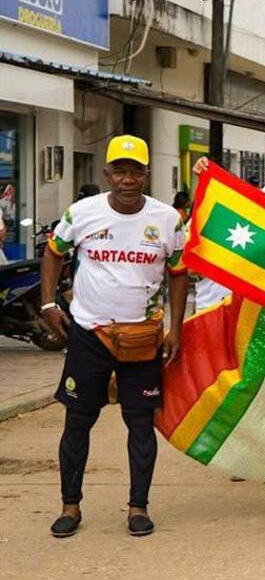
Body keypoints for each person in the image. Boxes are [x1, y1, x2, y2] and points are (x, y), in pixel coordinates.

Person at [40, 135, 188, 538]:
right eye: (119, 171)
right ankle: (70, 507)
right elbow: (53, 253)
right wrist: (49, 304)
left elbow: (178, 273)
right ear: (107, 174)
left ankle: (138, 508)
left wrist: (176, 325)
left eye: (135, 171)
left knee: (140, 423)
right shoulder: (82, 213)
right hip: (89, 333)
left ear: (146, 174)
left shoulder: (167, 220)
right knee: (78, 421)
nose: (127, 179)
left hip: (143, 338)